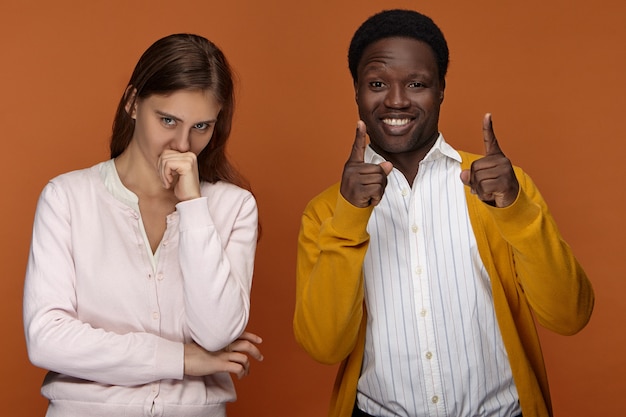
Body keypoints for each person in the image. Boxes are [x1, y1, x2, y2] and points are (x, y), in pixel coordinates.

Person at [294, 9, 594, 417]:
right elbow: (323, 346)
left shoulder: (502, 188)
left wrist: (514, 209)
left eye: (417, 84)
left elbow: (570, 315)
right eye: (377, 84)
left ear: (441, 90)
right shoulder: (327, 210)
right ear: (357, 92)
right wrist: (349, 216)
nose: (397, 100)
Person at [23, 33, 263, 417]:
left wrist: (193, 207)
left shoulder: (232, 207)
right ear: (133, 103)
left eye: (202, 126)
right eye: (167, 120)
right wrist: (182, 359)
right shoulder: (66, 197)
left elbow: (217, 333)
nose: (182, 145)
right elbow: (47, 339)